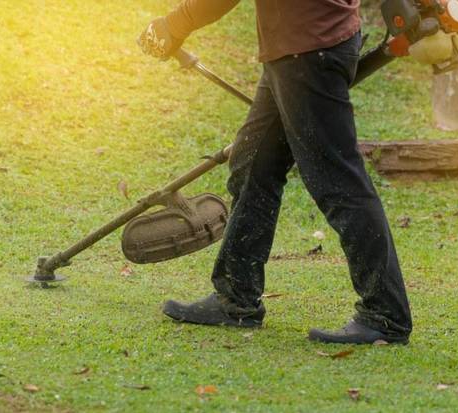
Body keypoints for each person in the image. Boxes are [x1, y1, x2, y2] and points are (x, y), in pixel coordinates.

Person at [137, 0, 412, 344]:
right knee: (254, 163)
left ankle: (386, 315)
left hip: (308, 49)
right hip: (306, 45)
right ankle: (236, 299)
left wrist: (174, 24)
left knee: (339, 182)